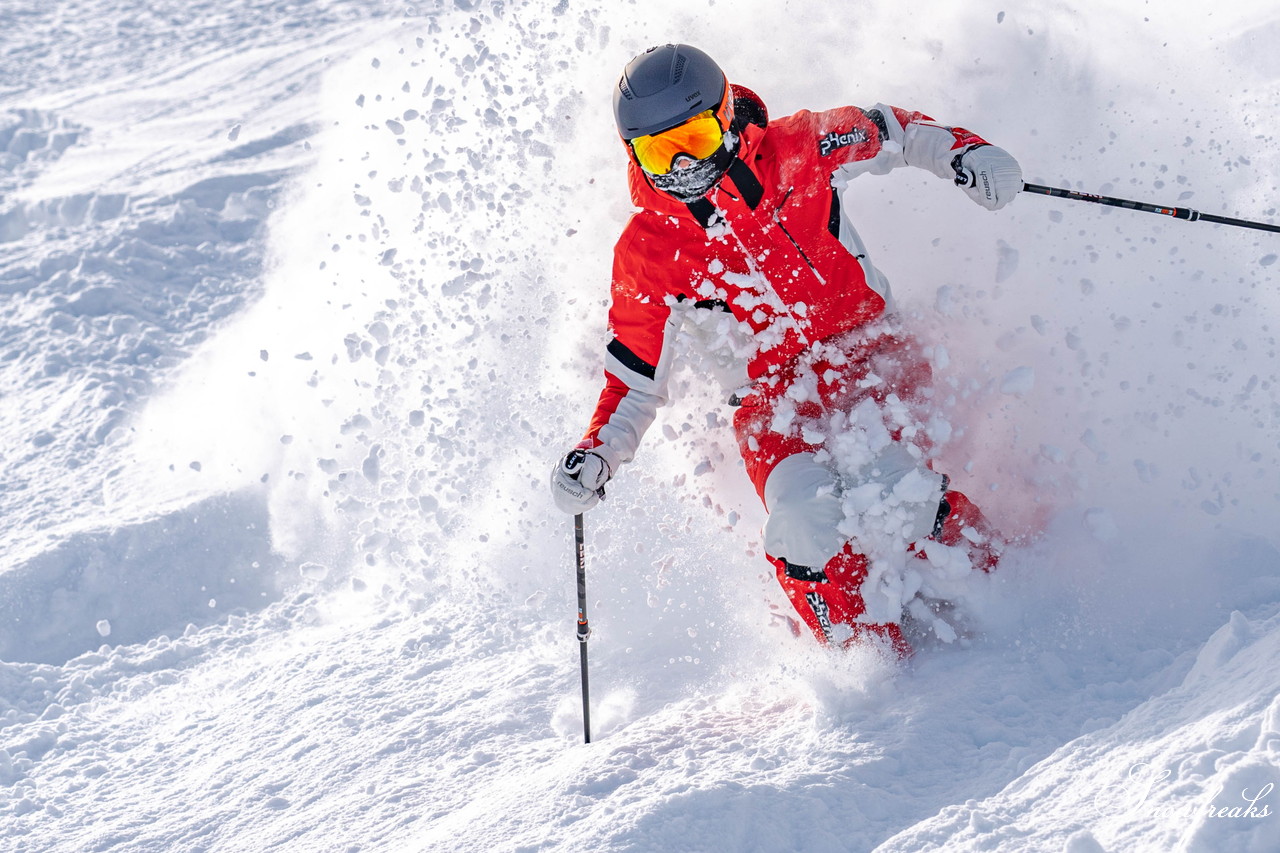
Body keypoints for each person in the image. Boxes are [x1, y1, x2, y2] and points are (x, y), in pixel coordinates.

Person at [551, 44, 1021, 655]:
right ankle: (866, 659)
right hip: (771, 404)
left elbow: (896, 131)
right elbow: (636, 381)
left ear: (723, 113)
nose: (682, 165)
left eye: (691, 137)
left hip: (868, 353)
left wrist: (964, 151)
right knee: (801, 520)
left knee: (889, 490)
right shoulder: (648, 251)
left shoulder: (798, 148)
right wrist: (598, 453)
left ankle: (1009, 590)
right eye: (658, 151)